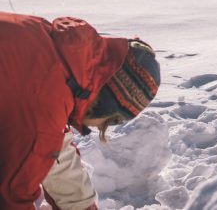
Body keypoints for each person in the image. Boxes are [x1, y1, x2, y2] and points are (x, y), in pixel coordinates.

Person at [0, 12, 161, 210]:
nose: (102, 127)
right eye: (112, 120)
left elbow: (52, 149)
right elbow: (10, 198)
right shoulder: (46, 104)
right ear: (108, 102)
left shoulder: (55, 52)